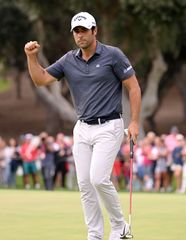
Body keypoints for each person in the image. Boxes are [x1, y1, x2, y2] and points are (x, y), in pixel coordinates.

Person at [24, 11, 141, 240]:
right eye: (76, 31)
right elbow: (41, 80)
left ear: (94, 31)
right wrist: (31, 57)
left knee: (98, 178)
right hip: (83, 128)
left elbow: (134, 87)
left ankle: (119, 227)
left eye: (84, 30)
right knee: (85, 184)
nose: (80, 35)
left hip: (110, 125)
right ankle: (95, 234)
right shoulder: (69, 60)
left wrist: (135, 122)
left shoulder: (113, 55)